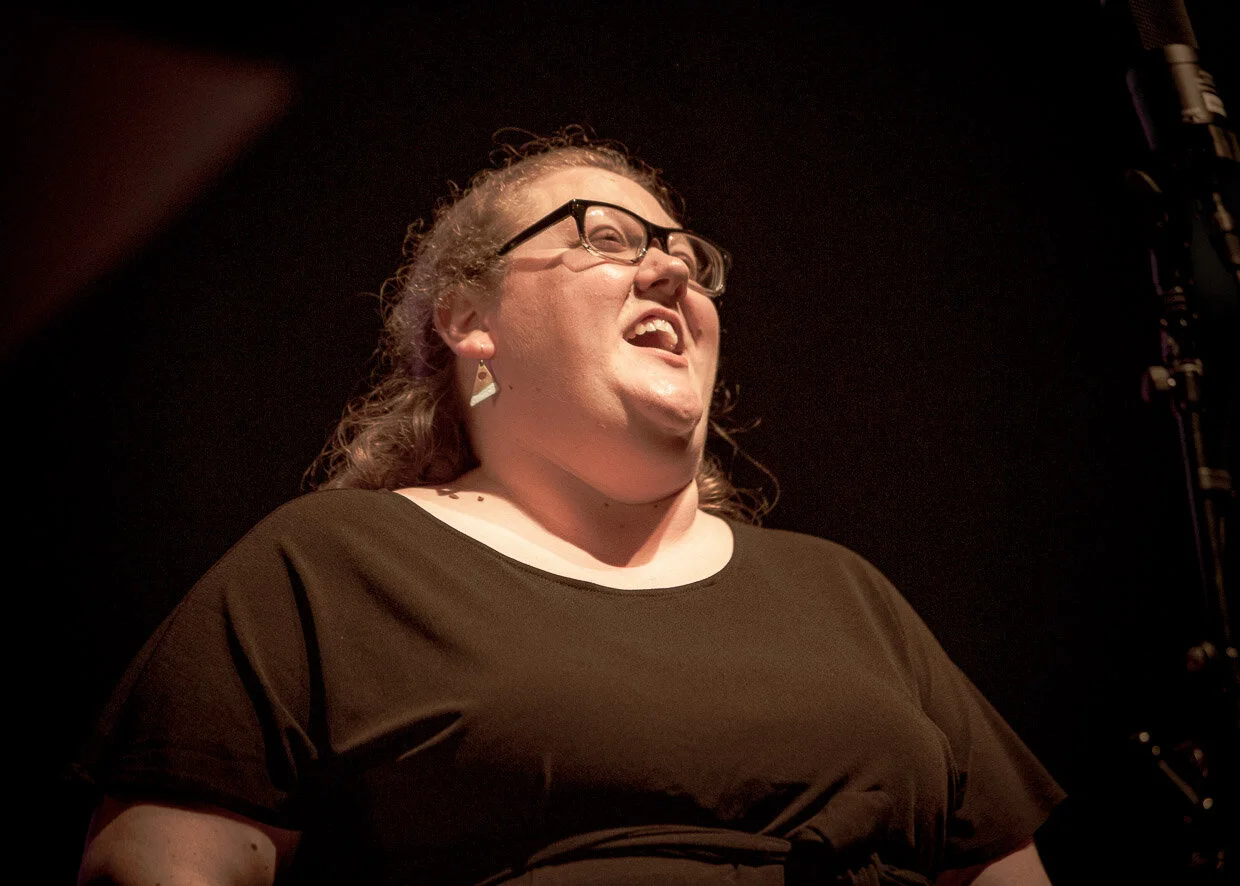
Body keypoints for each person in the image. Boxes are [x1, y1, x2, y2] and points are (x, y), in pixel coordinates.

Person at [73, 132, 1064, 885]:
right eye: (607, 237)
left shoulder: (846, 593)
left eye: (685, 254)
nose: (672, 270)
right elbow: (161, 863)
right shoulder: (332, 568)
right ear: (470, 321)